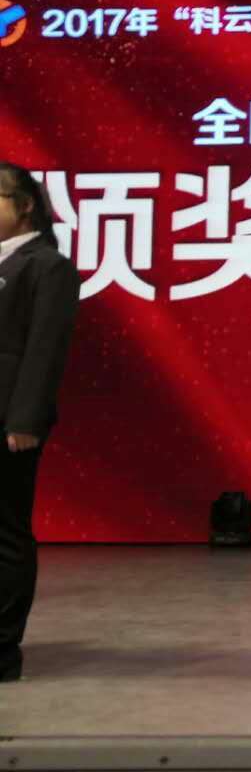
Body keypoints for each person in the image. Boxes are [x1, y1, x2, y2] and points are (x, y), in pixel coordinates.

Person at [0, 163, 80, 684]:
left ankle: (3, 648)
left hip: (9, 419)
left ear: (24, 204)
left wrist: (25, 417)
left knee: (5, 533)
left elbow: (44, 348)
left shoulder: (46, 265)